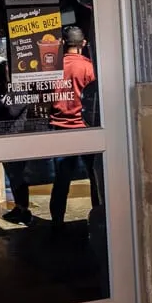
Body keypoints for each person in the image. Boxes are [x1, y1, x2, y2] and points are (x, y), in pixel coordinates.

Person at [48, 26, 103, 224]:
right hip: (85, 128)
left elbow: (44, 97)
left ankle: (57, 222)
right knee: (95, 177)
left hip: (60, 127)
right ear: (84, 44)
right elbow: (96, 97)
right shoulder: (89, 67)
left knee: (61, 180)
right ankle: (98, 217)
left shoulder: (53, 68)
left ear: (63, 43)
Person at [0, 62, 31, 223]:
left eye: (2, 76)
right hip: (3, 137)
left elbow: (12, 110)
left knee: (17, 175)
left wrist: (0, 99)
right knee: (13, 175)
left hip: (16, 137)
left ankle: (24, 210)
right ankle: (19, 207)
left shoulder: (19, 89)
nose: (0, 80)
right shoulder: (1, 89)